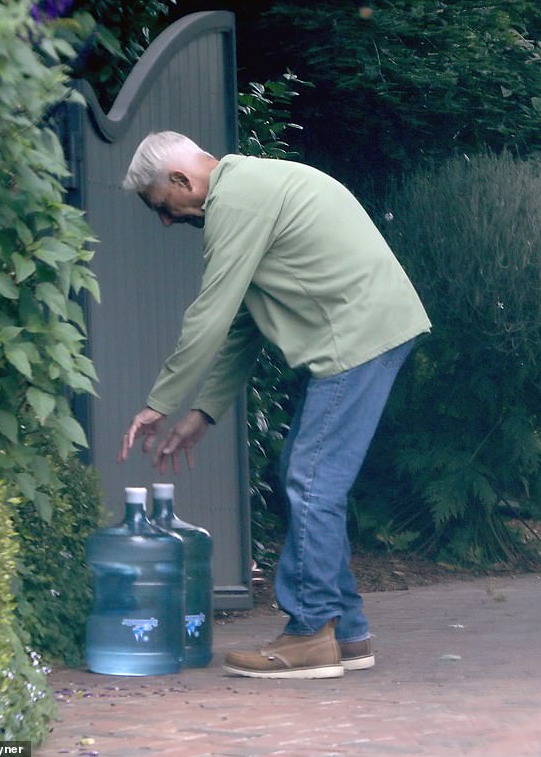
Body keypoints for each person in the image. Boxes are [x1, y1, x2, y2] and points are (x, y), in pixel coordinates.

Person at [118, 131, 431, 679]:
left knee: (310, 480)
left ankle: (310, 633)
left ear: (179, 181)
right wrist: (202, 413)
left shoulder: (236, 199)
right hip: (368, 328)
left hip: (356, 334)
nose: (167, 223)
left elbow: (211, 311)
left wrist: (159, 402)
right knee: (311, 476)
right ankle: (348, 633)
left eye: (162, 209)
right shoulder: (251, 187)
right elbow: (242, 322)